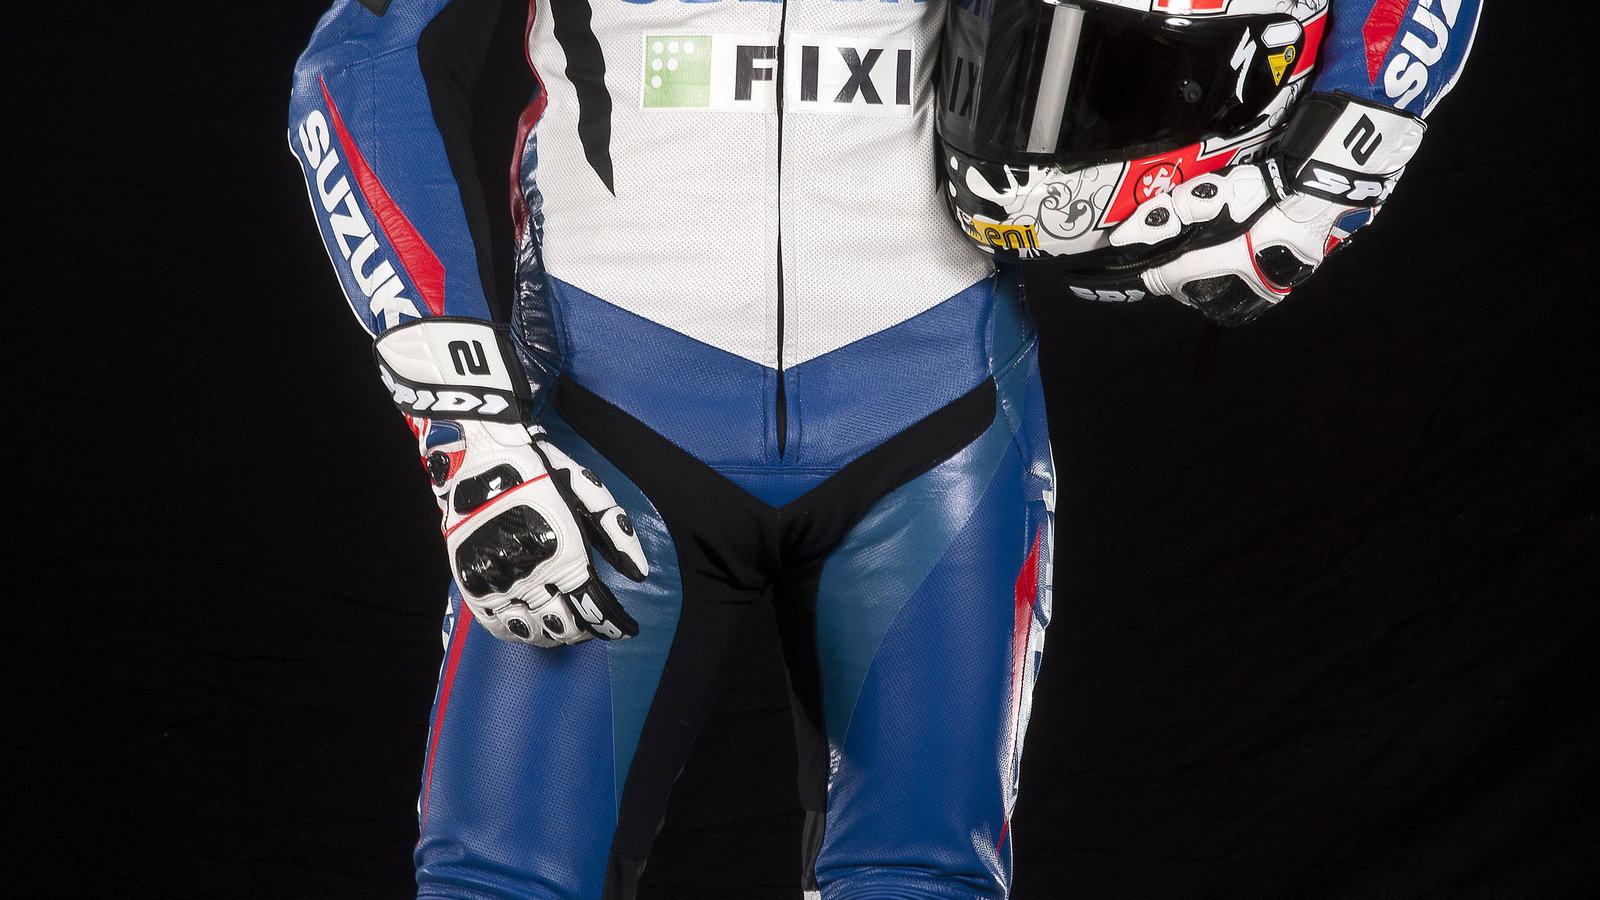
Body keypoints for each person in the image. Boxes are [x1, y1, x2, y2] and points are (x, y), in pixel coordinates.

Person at [288, 1, 1478, 897]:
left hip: (930, 417)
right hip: (615, 424)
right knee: (502, 883)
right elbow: (360, 61)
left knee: (922, 883)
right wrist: (466, 423)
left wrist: (1328, 177)